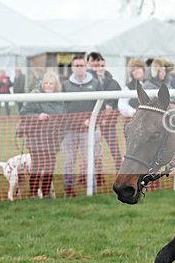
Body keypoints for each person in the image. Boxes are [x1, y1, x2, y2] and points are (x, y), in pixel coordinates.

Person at [18, 71, 65, 198]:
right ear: (42, 85)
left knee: (50, 168)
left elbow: (64, 121)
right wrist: (37, 117)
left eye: (51, 84)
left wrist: (60, 137)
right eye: (46, 83)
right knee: (36, 168)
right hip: (36, 140)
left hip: (52, 141)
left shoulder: (60, 100)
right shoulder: (35, 96)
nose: (48, 86)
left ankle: (46, 193)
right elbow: (23, 114)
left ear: (56, 86)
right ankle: (33, 193)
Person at [62, 54, 102, 197]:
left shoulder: (96, 84)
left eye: (82, 65)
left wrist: (92, 120)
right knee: (69, 162)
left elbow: (100, 105)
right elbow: (62, 108)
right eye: (76, 65)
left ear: (86, 67)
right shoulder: (65, 85)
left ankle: (92, 190)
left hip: (89, 131)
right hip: (70, 131)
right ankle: (68, 190)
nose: (79, 68)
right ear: (72, 68)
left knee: (89, 162)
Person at [89, 52, 123, 177]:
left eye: (102, 65)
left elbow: (119, 103)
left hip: (109, 124)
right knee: (94, 151)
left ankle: (119, 174)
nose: (100, 67)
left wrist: (110, 115)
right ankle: (97, 177)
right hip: (93, 122)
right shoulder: (90, 82)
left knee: (115, 150)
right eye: (97, 64)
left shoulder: (113, 83)